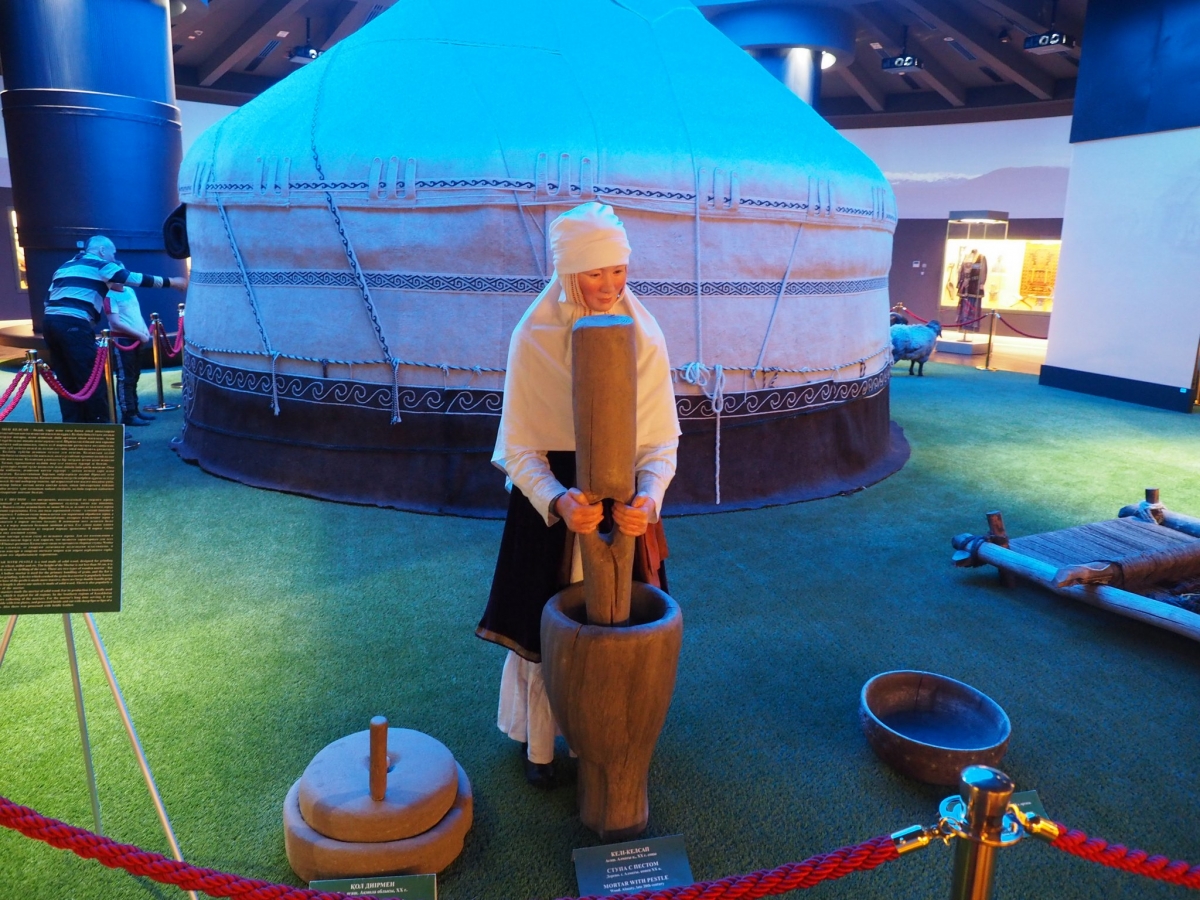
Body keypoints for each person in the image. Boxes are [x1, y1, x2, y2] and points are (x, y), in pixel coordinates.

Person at [475, 202, 680, 787]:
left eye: (618, 270)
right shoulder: (533, 335)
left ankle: (607, 736)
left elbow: (659, 440)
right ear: (568, 274)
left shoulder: (645, 333)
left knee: (618, 625)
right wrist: (558, 500)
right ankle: (541, 747)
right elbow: (520, 447)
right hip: (554, 507)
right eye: (595, 273)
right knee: (548, 634)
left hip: (622, 505)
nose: (610, 285)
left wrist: (648, 498)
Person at [42, 235, 186, 423]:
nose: (113, 257)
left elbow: (48, 300)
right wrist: (173, 282)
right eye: (113, 253)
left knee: (66, 380)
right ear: (102, 251)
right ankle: (102, 431)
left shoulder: (65, 266)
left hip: (50, 324)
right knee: (92, 379)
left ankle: (74, 428)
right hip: (75, 325)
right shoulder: (101, 265)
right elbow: (135, 278)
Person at [106, 284, 155, 426]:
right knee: (125, 378)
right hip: (123, 340)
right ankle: (128, 414)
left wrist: (144, 330)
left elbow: (136, 314)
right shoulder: (109, 296)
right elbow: (115, 323)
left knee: (134, 376)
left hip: (137, 339)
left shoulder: (130, 290)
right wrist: (140, 334)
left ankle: (135, 410)